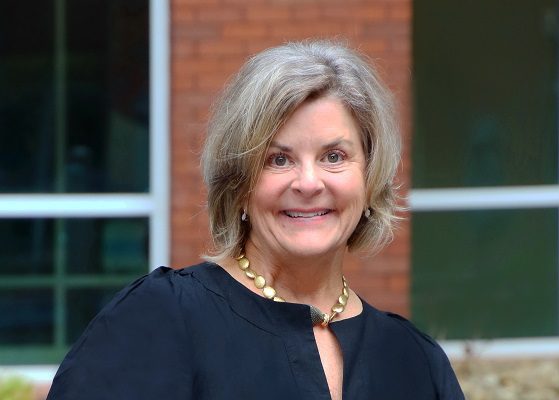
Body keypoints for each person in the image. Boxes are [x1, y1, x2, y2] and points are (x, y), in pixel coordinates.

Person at [47, 40, 464, 399]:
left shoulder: (414, 360)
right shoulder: (161, 319)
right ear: (239, 183)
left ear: (370, 176)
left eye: (333, 156)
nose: (308, 182)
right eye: (277, 159)